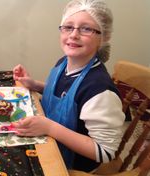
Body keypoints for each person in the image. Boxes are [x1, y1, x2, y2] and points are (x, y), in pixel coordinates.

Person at [12, 0, 125, 172]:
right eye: (68, 27)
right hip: (48, 139)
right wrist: (35, 84)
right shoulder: (63, 63)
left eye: (86, 28)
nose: (73, 34)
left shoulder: (100, 92)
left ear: (103, 36)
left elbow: (105, 152)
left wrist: (49, 127)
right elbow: (65, 96)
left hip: (70, 164)